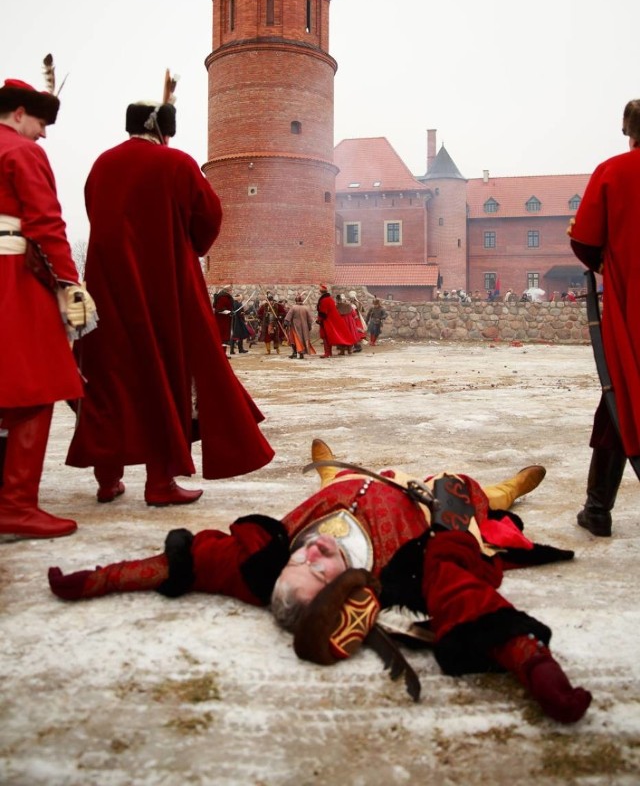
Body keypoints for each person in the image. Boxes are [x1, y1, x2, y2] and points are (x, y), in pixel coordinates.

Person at [48, 438, 591, 725]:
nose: (310, 552)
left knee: (336, 475)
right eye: (320, 571)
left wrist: (97, 580)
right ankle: (507, 490)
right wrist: (539, 670)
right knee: (472, 492)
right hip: (430, 499)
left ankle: (330, 468)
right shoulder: (409, 569)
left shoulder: (261, 564)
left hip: (354, 480)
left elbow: (186, 562)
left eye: (297, 563)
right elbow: (468, 601)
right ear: (346, 589)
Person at [65, 79, 274, 506]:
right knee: (165, 379)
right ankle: (159, 483)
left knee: (111, 383)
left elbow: (94, 213)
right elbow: (209, 217)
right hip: (165, 292)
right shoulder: (177, 164)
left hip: (106, 292)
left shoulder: (101, 165)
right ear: (164, 130)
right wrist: (185, 245)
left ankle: (108, 480)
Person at [0, 73, 96, 539]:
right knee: (37, 388)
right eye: (40, 122)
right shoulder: (22, 151)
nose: (43, 134)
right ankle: (15, 506)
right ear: (19, 113)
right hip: (12, 279)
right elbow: (45, 222)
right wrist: (69, 283)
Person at [568, 98, 640, 537]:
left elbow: (585, 240)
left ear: (631, 135)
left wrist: (611, 264)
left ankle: (598, 510)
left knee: (619, 401)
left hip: (632, 313)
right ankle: (596, 509)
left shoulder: (613, 171)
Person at [212, 286, 234, 355]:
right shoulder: (223, 297)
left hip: (225, 321)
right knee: (222, 338)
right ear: (228, 290)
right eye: (231, 290)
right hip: (222, 321)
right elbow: (219, 309)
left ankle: (223, 354)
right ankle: (221, 354)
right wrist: (229, 312)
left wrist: (230, 312)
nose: (232, 291)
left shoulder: (225, 296)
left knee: (224, 338)